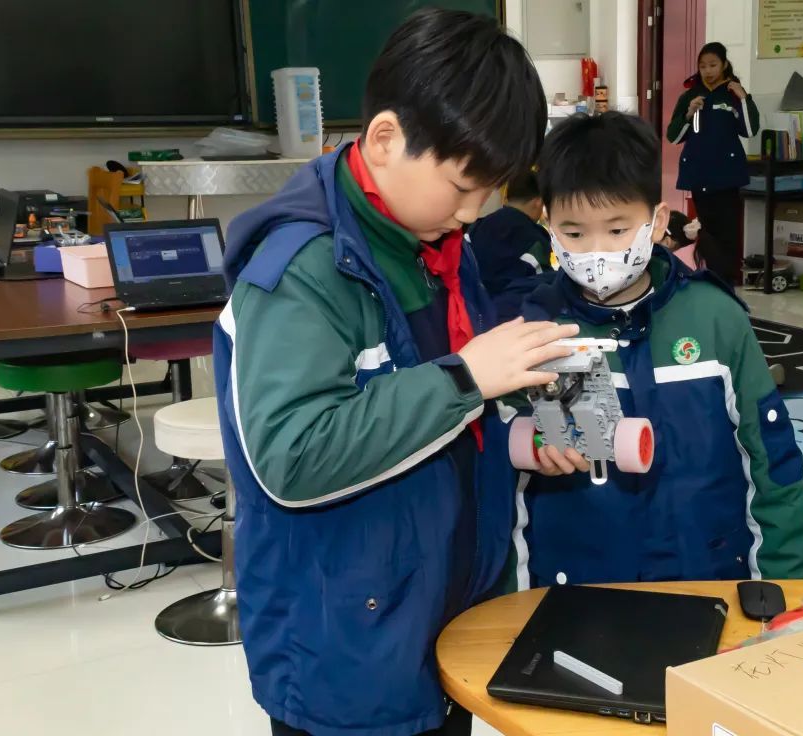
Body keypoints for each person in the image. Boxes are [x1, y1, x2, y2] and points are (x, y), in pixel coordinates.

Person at [213, 10, 588, 736]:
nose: (474, 212)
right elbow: (291, 457)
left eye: (491, 191)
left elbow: (435, 425)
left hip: (439, 625)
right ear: (385, 139)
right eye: (462, 185)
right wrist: (466, 379)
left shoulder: (437, 240)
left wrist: (516, 442)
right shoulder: (303, 270)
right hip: (346, 658)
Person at [511, 111, 803, 591]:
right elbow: (501, 473)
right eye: (574, 233)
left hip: (704, 576)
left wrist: (786, 583)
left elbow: (769, 454)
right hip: (574, 585)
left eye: (616, 230)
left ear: (657, 222)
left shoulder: (715, 318)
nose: (596, 252)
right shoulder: (532, 329)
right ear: (548, 225)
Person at [666, 42, 760, 285]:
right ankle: (710, 278)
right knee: (706, 231)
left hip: (727, 176)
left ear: (724, 64)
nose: (708, 71)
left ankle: (727, 281)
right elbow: (673, 136)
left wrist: (744, 98)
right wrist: (688, 114)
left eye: (713, 65)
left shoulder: (732, 93)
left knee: (728, 232)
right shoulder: (691, 94)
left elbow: (750, 130)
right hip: (699, 175)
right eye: (703, 66)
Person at [469, 170, 551, 319]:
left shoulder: (478, 226)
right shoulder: (534, 238)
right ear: (538, 202)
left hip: (473, 310)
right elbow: (544, 283)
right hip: (512, 315)